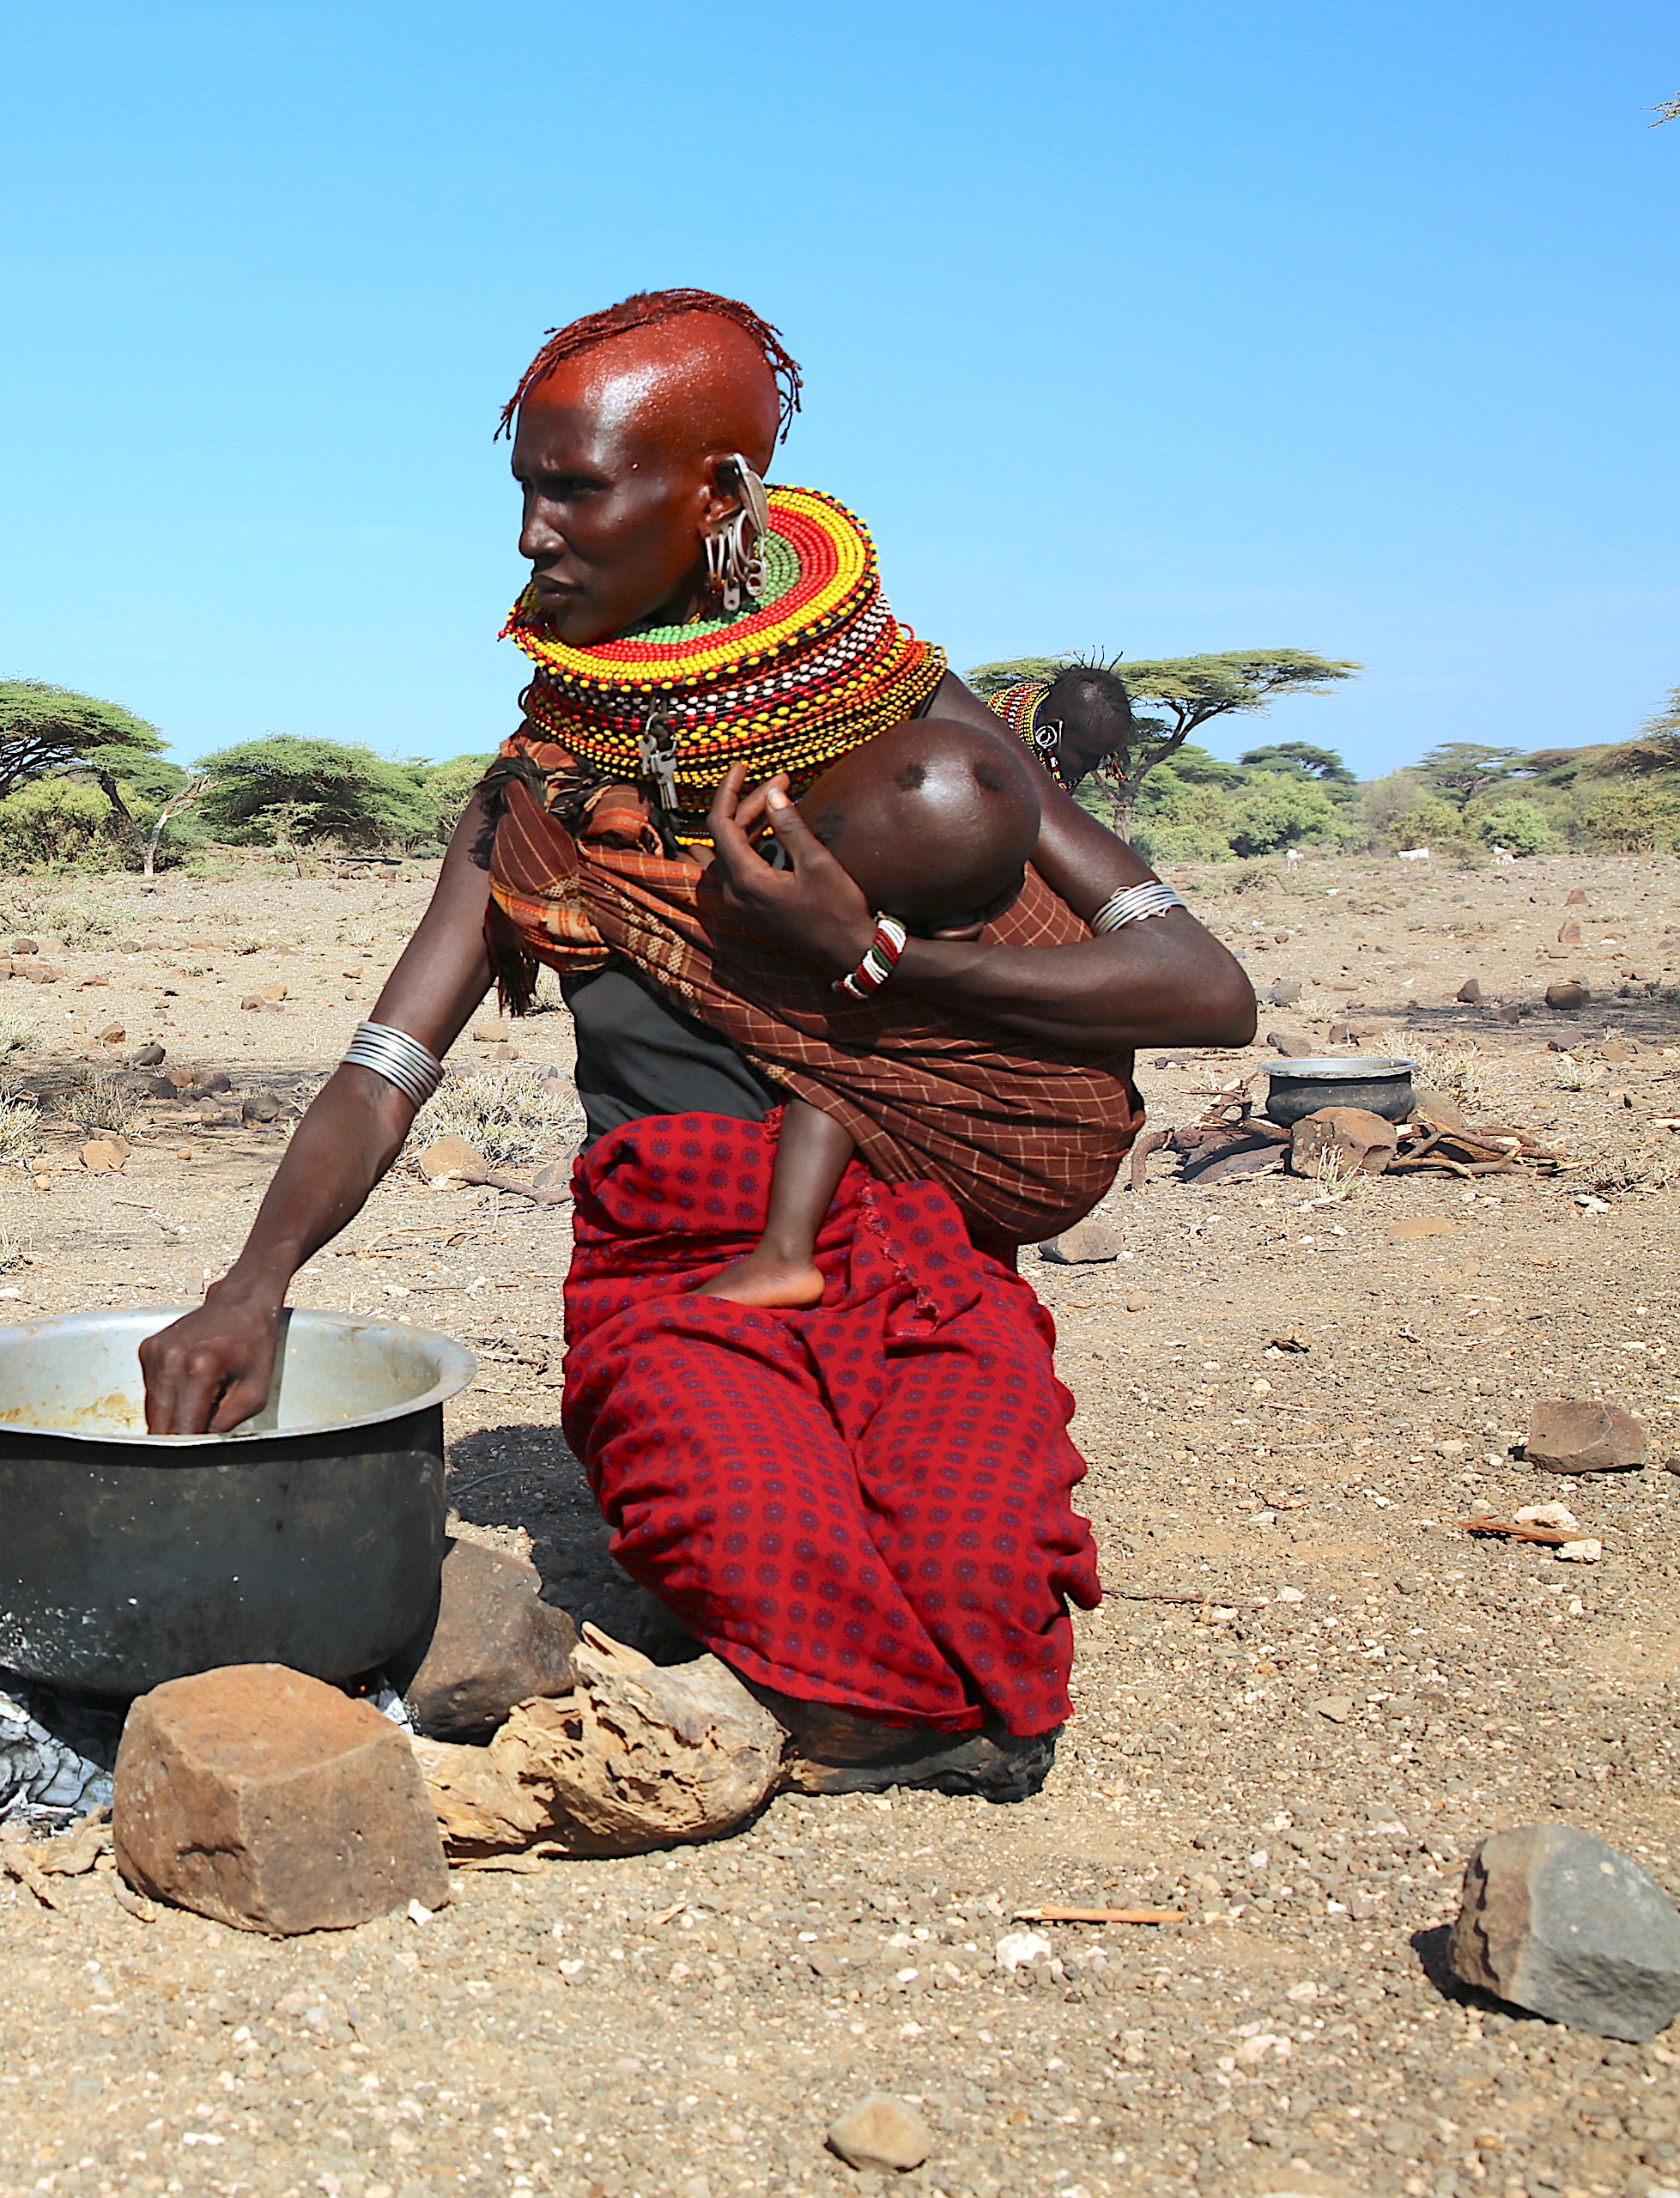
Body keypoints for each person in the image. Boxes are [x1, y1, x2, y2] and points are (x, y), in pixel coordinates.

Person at [141, 289, 1251, 1800]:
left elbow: (1201, 988)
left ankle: (880, 1680)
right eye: (524, 488)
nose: (531, 534)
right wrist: (250, 1283)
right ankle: (828, 1660)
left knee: (985, 1567)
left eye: (572, 488)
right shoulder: (535, 785)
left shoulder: (913, 723)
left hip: (913, 1231)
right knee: (771, 1545)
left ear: (718, 495)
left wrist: (873, 952)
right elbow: (391, 1060)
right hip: (675, 1257)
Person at [683, 728, 1072, 1309]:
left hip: (970, 1122)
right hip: (1036, 1161)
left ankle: (784, 1253)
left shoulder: (878, 951)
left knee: (829, 1064)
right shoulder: (1003, 920)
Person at [980, 663, 1141, 791]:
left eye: (1105, 756)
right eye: (1087, 755)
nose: (1093, 766)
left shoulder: (1057, 771)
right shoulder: (976, 754)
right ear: (1049, 733)